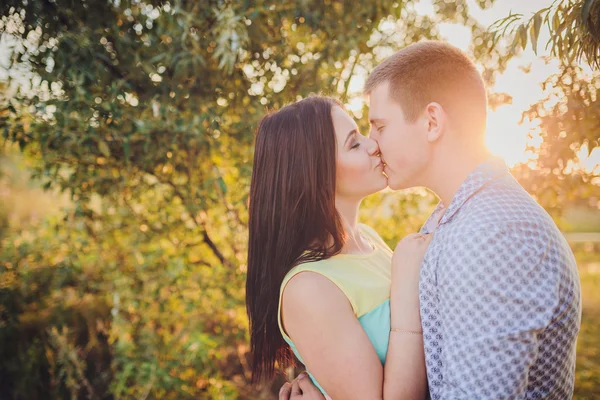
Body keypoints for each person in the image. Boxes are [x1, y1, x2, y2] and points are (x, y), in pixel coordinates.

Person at [279, 41, 582, 400]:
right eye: (361, 136)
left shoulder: (493, 235)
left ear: (432, 122)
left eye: (379, 126)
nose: (374, 144)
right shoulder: (455, 220)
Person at [246, 95, 431, 399]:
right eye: (353, 144)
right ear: (314, 174)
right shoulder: (308, 288)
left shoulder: (367, 239)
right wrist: (407, 288)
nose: (373, 144)